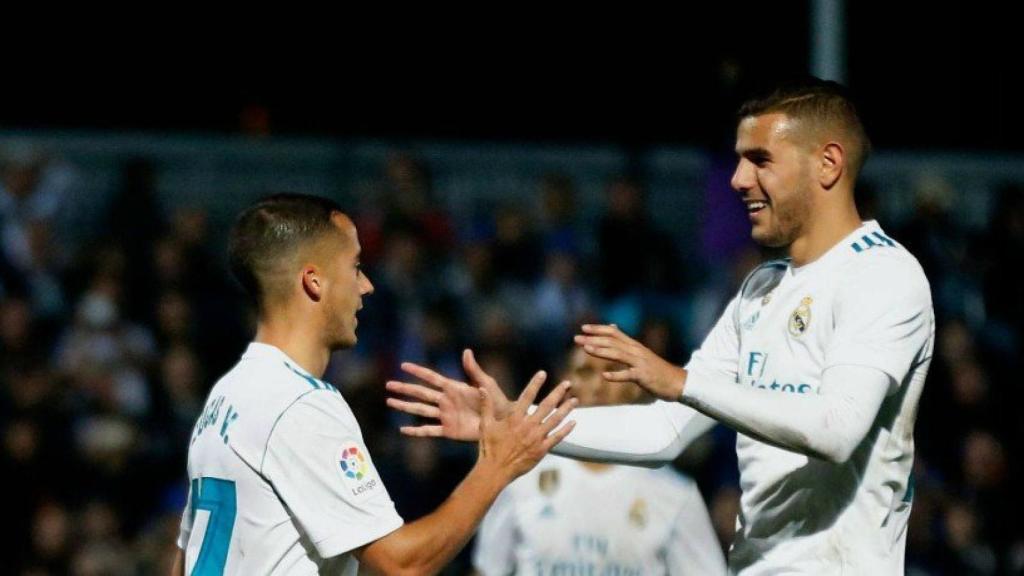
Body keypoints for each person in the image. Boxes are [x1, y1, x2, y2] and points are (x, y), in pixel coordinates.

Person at [386, 78, 935, 574]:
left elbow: (836, 430)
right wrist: (512, 421)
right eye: (739, 160)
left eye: (761, 159)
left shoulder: (883, 275)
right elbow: (664, 430)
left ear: (828, 164)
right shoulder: (761, 289)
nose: (739, 179)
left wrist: (681, 382)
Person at [170, 194, 577, 575]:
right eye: (356, 267)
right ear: (313, 281)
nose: (367, 286)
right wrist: (498, 465)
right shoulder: (299, 404)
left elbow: (185, 559)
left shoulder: (226, 396)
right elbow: (402, 565)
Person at [471, 346, 726, 576]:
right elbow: (487, 568)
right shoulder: (519, 477)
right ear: (564, 382)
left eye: (612, 372)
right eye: (585, 372)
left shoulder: (675, 494)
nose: (598, 386)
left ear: (634, 385)